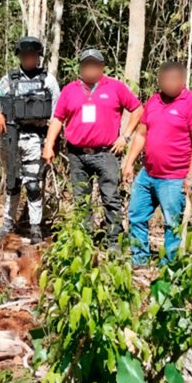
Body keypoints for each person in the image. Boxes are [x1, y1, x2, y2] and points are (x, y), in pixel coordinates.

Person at [42, 49, 143, 248]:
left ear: (102, 67)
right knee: (81, 201)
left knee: (111, 199)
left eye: (94, 64)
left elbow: (138, 110)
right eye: (86, 64)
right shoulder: (70, 90)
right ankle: (84, 243)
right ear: (80, 67)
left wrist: (125, 136)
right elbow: (58, 119)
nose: (90, 68)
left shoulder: (115, 87)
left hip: (106, 153)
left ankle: (114, 243)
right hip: (77, 154)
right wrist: (48, 145)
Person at [123, 61, 192, 265]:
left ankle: (169, 266)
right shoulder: (153, 101)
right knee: (136, 215)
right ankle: (139, 259)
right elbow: (141, 134)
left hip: (174, 178)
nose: (167, 84)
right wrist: (129, 163)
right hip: (148, 174)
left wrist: (191, 175)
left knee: (172, 223)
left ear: (182, 80)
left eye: (172, 80)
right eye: (163, 80)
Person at [0, 36, 60, 244]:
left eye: (33, 56)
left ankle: (36, 227)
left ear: (38, 57)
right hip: (11, 137)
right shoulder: (8, 80)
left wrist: (51, 143)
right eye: (25, 55)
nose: (29, 59)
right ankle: (7, 225)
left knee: (33, 185)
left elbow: (58, 113)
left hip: (35, 138)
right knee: (12, 183)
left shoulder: (48, 81)